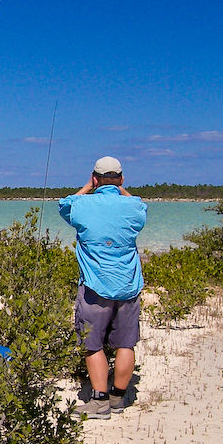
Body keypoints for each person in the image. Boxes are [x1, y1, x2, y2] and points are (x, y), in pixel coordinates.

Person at [58, 156, 147, 419]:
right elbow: (140, 207)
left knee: (92, 344)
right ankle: (118, 398)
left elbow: (64, 206)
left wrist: (88, 187)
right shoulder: (133, 207)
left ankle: (99, 402)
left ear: (95, 179)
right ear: (121, 179)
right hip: (128, 286)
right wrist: (120, 189)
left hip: (95, 287)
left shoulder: (83, 205)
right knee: (126, 344)